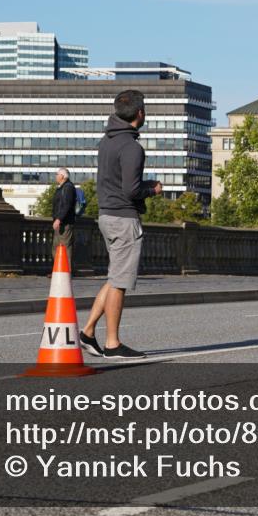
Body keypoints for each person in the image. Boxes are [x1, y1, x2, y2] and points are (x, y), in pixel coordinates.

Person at [80, 90, 162, 360]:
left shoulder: (107, 141)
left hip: (106, 215)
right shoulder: (131, 147)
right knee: (120, 283)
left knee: (115, 277)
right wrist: (153, 189)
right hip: (124, 218)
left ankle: (88, 332)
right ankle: (113, 344)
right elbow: (131, 190)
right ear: (140, 113)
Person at [51, 168, 77, 271]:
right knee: (56, 247)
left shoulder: (68, 187)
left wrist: (59, 219)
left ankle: (66, 271)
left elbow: (66, 205)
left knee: (65, 247)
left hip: (65, 223)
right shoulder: (62, 187)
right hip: (60, 223)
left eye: (57, 174)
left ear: (62, 176)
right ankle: (58, 270)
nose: (56, 176)